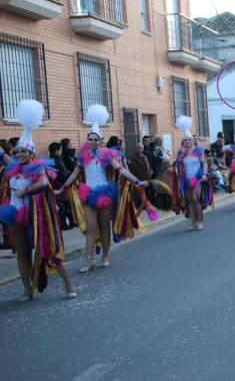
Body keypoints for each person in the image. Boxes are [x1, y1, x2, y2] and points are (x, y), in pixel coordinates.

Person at [56, 105, 149, 272]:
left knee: (105, 226)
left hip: (104, 193)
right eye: (89, 139)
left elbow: (121, 170)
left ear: (100, 140)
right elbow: (75, 174)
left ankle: (105, 256)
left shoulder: (107, 155)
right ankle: (88, 261)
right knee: (91, 227)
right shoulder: (82, 156)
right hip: (88, 193)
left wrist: (137, 180)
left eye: (95, 139)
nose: (92, 142)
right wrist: (62, 188)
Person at [0, 100, 76, 301]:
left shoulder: (38, 168)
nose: (20, 154)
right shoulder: (13, 167)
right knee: (22, 252)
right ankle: (27, 289)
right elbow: (4, 158)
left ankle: (68, 282)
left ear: (31, 153)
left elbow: (43, 182)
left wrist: (25, 190)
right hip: (16, 215)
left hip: (37, 215)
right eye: (17, 152)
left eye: (24, 151)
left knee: (48, 249)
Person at [172, 116, 212, 230]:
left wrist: (204, 174)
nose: (188, 141)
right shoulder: (180, 152)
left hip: (197, 178)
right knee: (189, 200)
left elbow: (204, 163)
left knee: (195, 199)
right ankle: (193, 222)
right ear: (183, 141)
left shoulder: (198, 150)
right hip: (185, 179)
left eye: (190, 139)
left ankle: (200, 222)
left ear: (193, 141)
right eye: (186, 140)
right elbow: (177, 164)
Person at [49, 142, 75, 230]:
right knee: (62, 206)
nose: (61, 151)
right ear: (56, 151)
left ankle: (71, 223)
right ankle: (63, 224)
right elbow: (58, 173)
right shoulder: (53, 161)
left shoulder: (58, 159)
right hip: (58, 185)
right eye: (60, 150)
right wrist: (67, 178)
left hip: (63, 184)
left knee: (66, 205)